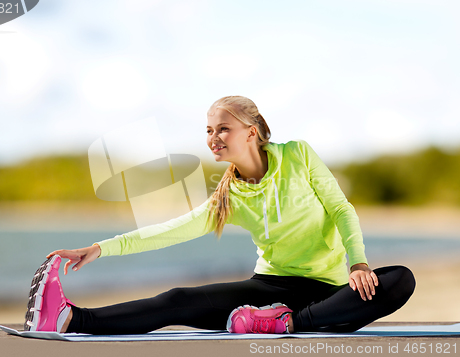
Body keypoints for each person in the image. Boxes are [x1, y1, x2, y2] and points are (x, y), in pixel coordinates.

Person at [24, 95, 415, 335]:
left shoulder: (298, 155)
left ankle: (288, 324)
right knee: (176, 299)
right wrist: (100, 248)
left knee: (399, 280)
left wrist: (358, 262)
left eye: (223, 128)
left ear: (251, 131)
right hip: (268, 292)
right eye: (209, 130)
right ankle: (71, 320)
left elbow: (340, 208)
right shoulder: (229, 196)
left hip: (327, 293)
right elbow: (172, 230)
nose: (213, 137)